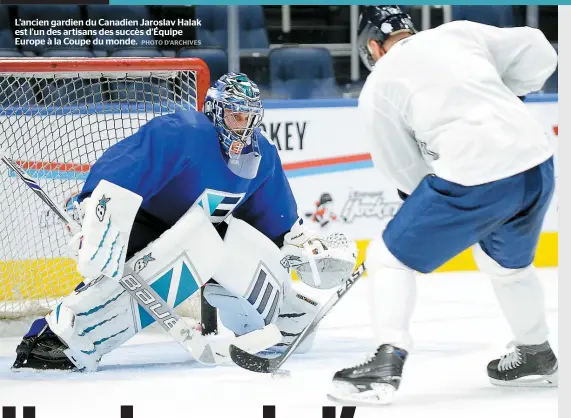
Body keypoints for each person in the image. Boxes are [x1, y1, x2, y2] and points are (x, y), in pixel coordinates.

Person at [12, 72, 357, 372]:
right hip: (144, 226)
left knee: (221, 237)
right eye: (236, 117)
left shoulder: (261, 156)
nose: (244, 127)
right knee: (193, 244)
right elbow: (121, 173)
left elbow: (276, 223)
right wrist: (92, 214)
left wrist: (303, 246)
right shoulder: (184, 133)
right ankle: (63, 339)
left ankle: (283, 317)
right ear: (215, 111)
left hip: (199, 238)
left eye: (250, 119)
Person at [328, 6, 558, 405]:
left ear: (372, 48)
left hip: (477, 174)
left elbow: (402, 168)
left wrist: (427, 206)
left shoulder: (379, 85)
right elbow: (540, 50)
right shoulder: (458, 33)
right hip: (537, 161)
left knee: (388, 259)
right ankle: (535, 353)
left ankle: (386, 360)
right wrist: (512, 90)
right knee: (507, 266)